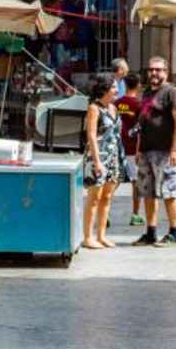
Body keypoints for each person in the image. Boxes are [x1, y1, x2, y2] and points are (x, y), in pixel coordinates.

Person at [133, 57, 176, 246]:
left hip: (165, 152)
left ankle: (175, 232)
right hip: (147, 150)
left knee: (169, 192)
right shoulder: (146, 92)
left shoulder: (172, 92)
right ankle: (151, 232)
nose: (154, 73)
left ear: (166, 72)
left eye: (158, 70)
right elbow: (142, 122)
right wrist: (139, 149)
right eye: (151, 70)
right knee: (147, 193)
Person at [81, 81, 125, 249]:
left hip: (113, 157)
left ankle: (101, 235)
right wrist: (97, 161)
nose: (117, 90)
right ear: (104, 90)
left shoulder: (114, 108)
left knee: (107, 197)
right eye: (113, 87)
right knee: (94, 197)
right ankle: (88, 237)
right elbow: (91, 136)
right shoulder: (94, 108)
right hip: (98, 157)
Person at [115, 75, 146, 226]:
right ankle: (135, 214)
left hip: (117, 147)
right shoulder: (139, 105)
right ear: (139, 85)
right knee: (135, 182)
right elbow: (140, 130)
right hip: (133, 148)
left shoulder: (116, 103)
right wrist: (140, 150)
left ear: (125, 85)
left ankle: (104, 213)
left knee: (113, 181)